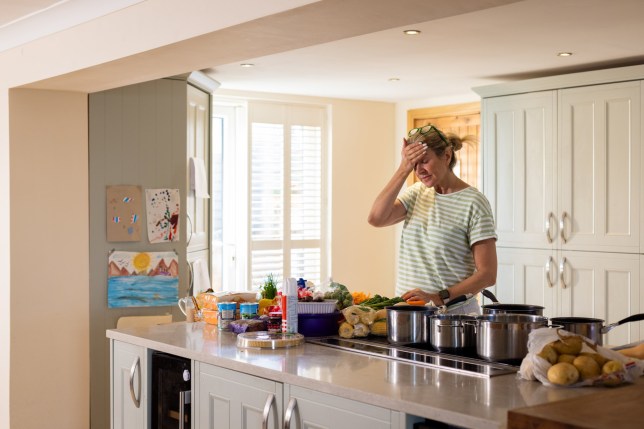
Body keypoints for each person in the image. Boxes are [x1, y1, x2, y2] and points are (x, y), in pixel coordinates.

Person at [367, 124, 497, 314]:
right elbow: (376, 218)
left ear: (446, 155)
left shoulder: (474, 202)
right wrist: (403, 169)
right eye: (414, 164)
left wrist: (437, 298)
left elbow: (487, 275)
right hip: (407, 314)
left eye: (424, 161)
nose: (419, 171)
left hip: (452, 317)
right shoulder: (417, 194)